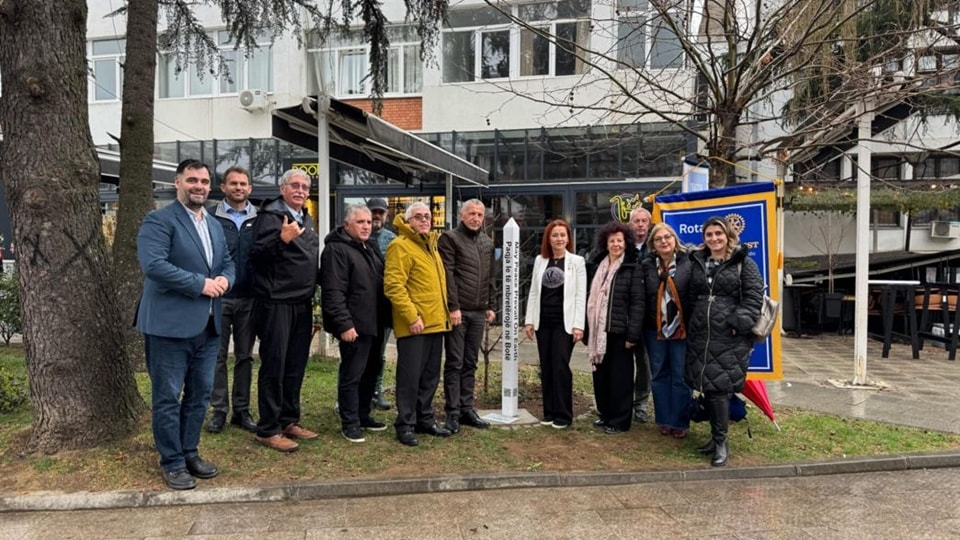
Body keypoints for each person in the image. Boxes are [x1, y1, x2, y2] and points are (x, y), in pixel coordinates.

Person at [135, 159, 234, 490]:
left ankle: (190, 452)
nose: (199, 186)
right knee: (167, 397)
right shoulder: (159, 220)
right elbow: (154, 265)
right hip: (169, 327)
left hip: (208, 326)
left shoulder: (214, 224)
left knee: (200, 394)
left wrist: (225, 279)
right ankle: (172, 462)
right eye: (192, 180)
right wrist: (200, 284)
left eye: (204, 181)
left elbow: (227, 262)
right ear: (177, 183)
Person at [250, 169, 320, 453]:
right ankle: (268, 429)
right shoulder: (270, 217)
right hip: (276, 302)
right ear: (282, 189)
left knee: (295, 365)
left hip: (301, 302)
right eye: (295, 185)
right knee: (274, 365)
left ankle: (289, 419)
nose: (300, 190)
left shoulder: (306, 217)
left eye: (305, 187)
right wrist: (282, 240)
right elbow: (256, 256)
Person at [686, 216, 763, 467]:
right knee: (707, 387)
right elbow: (692, 295)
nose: (714, 238)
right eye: (709, 234)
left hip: (729, 337)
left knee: (719, 389)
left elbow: (753, 298)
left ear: (728, 235)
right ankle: (713, 438)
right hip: (702, 335)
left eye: (718, 233)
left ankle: (721, 442)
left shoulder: (744, 263)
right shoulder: (699, 261)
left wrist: (736, 323)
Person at [384, 202, 452, 446]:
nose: (424, 220)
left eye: (427, 216)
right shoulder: (400, 246)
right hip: (415, 326)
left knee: (430, 377)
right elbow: (394, 286)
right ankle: (405, 424)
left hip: (436, 323)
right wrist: (412, 317)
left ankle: (425, 418)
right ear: (408, 221)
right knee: (410, 378)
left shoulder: (430, 246)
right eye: (419, 217)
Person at [321, 204, 391, 443]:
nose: (366, 226)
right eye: (360, 222)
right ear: (347, 224)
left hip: (374, 322)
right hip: (354, 325)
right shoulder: (336, 250)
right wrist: (344, 324)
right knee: (352, 374)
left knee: (371, 371)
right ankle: (349, 422)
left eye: (368, 222)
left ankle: (363, 415)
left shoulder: (369, 247)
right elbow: (333, 291)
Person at [206, 166, 259, 434]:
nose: (238, 188)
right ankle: (219, 410)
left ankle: (241, 410)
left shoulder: (259, 218)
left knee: (244, 356)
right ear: (223, 187)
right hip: (219, 297)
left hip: (249, 297)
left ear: (250, 188)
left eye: (243, 184)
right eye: (233, 183)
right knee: (217, 356)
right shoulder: (210, 217)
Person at [438, 199, 496, 434]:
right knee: (455, 362)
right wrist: (453, 307)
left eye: (480, 215)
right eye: (471, 213)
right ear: (461, 215)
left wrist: (490, 305)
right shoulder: (450, 239)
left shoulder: (487, 242)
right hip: (458, 311)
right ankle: (452, 412)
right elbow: (448, 275)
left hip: (479, 311)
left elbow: (491, 276)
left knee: (470, 362)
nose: (476, 218)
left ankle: (466, 408)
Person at [523, 219, 586, 429]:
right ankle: (549, 412)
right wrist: (529, 321)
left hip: (564, 323)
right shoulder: (540, 260)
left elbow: (580, 295)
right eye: (555, 235)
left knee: (560, 366)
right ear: (548, 239)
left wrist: (579, 325)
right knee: (547, 366)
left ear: (568, 238)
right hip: (543, 322)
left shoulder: (577, 262)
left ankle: (563, 415)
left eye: (562, 235)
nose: (559, 239)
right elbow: (533, 292)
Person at [585, 221, 644, 435]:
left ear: (626, 243)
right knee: (601, 377)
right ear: (606, 243)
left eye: (620, 240)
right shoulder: (597, 266)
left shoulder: (632, 267)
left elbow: (638, 303)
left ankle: (620, 420)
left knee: (620, 378)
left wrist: (632, 335)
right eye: (612, 241)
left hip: (620, 332)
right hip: (598, 333)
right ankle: (605, 414)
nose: (616, 244)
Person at [641, 222, 693, 439]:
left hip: (682, 329)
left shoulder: (688, 262)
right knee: (659, 374)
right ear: (652, 244)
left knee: (680, 376)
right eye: (658, 239)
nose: (663, 241)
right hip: (655, 330)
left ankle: (679, 421)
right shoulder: (647, 265)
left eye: (667, 237)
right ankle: (663, 419)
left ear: (675, 239)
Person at [367, 197, 396, 411]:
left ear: (386, 215)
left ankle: (375, 391)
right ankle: (346, 396)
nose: (377, 216)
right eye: (373, 211)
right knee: (354, 354)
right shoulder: (356, 235)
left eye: (381, 212)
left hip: (383, 305)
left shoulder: (392, 240)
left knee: (379, 353)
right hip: (361, 306)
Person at [629, 206, 653, 423]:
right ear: (630, 224)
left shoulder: (655, 246)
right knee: (624, 362)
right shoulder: (623, 246)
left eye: (644, 221)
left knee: (645, 363)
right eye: (636, 221)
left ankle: (641, 403)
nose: (640, 225)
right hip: (625, 314)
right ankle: (623, 401)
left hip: (648, 317)